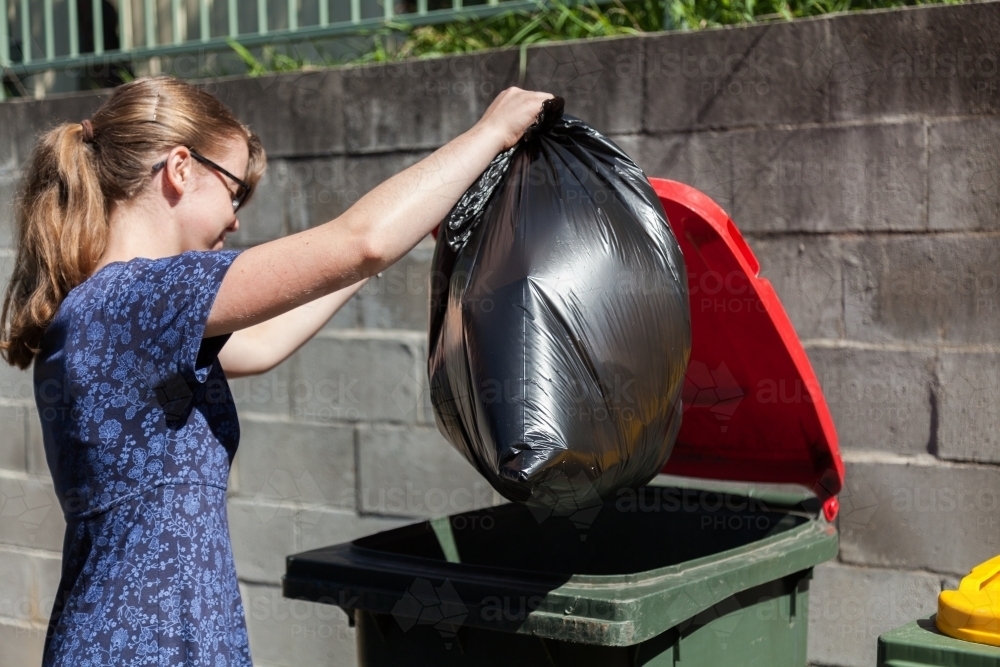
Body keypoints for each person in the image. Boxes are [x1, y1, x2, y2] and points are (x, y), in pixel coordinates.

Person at [0, 75, 553, 666]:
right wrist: (491, 131)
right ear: (180, 168)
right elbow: (361, 240)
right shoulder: (139, 297)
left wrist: (413, 227)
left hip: (140, 634)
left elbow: (261, 343)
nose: (236, 220)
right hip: (146, 644)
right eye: (234, 191)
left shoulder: (108, 311)